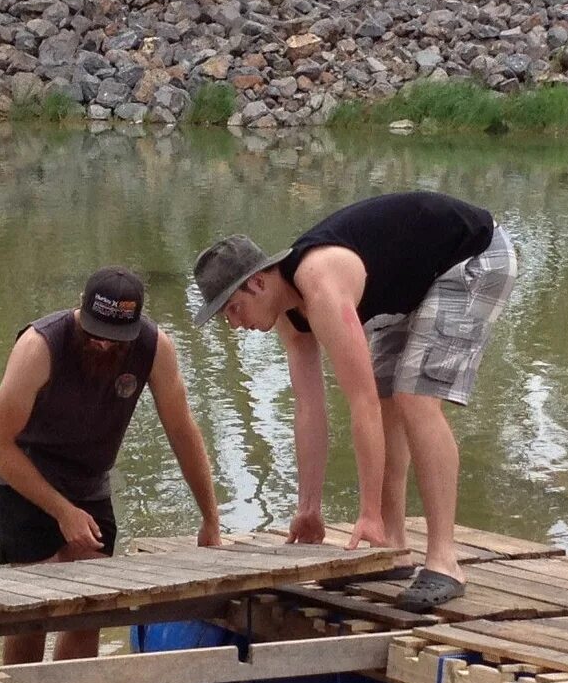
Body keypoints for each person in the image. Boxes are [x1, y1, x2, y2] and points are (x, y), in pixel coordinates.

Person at [192, 191, 515, 613]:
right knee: (387, 397)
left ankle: (444, 562)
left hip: (473, 257)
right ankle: (394, 549)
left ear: (257, 281)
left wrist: (367, 513)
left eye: (233, 309)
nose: (234, 324)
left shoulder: (321, 287)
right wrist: (308, 508)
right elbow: (309, 407)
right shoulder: (291, 313)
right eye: (225, 317)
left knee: (414, 398)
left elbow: (357, 403)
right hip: (417, 280)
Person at [0, 267, 224, 676]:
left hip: (89, 480)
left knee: (91, 604)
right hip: (23, 475)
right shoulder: (39, 346)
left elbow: (183, 430)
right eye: (94, 333)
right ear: (81, 308)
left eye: (114, 338)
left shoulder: (154, 347)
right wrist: (61, 511)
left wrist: (210, 517)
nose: (102, 344)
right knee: (33, 605)